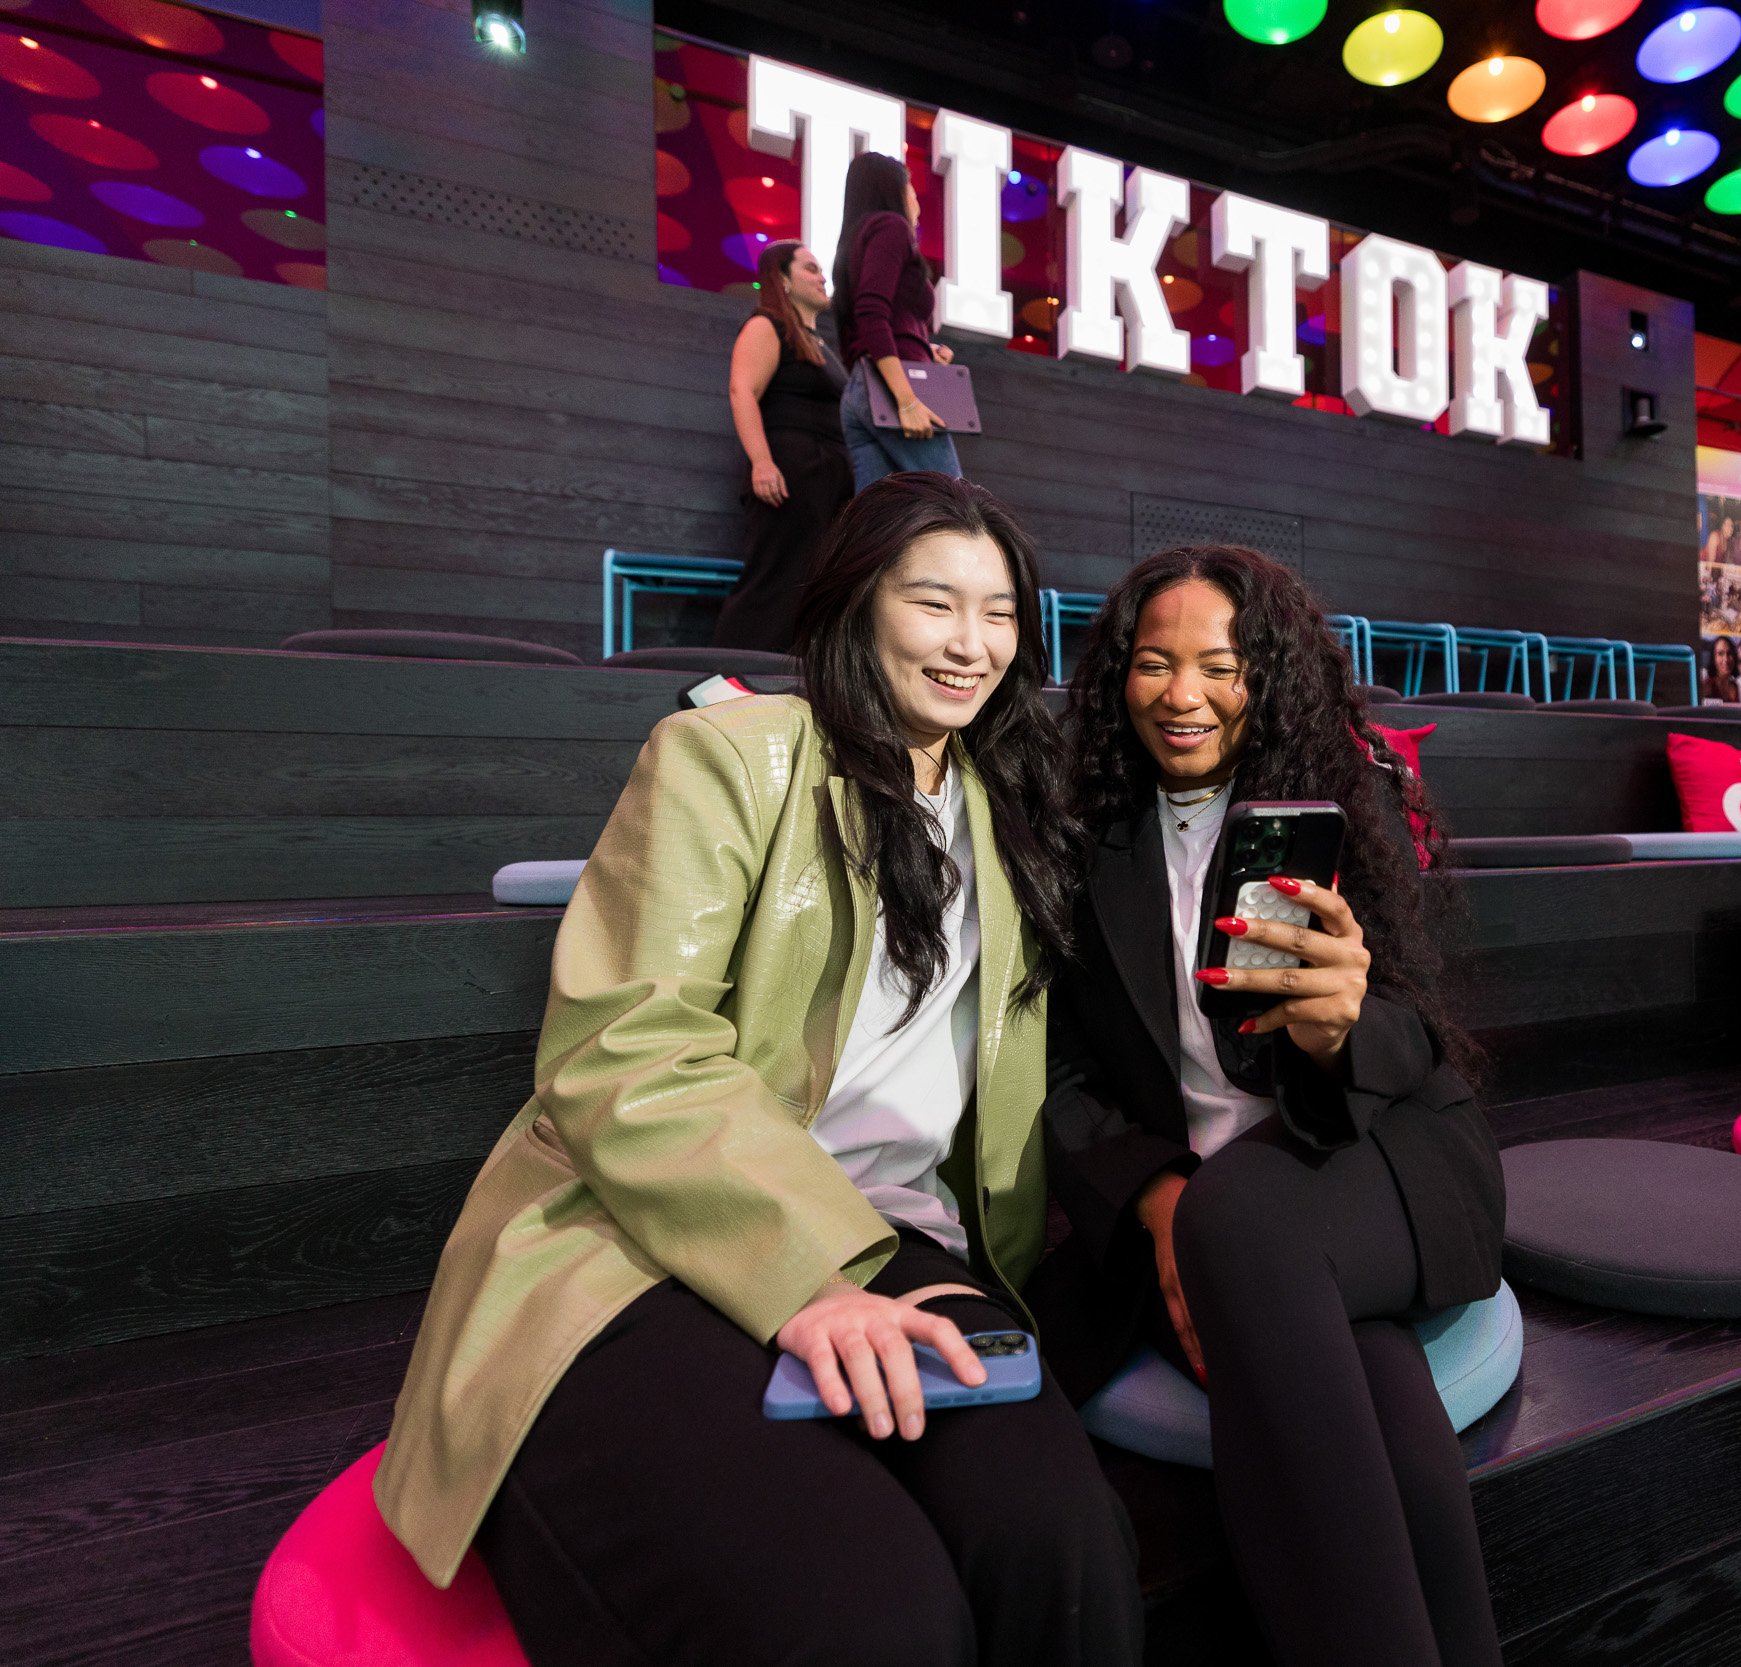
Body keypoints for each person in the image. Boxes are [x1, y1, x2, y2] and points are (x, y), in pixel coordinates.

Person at [374, 474, 1141, 1667]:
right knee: (866, 1617)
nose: (971, 643)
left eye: (999, 614)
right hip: (645, 1228)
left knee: (1063, 1543)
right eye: (934, 602)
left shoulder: (1014, 807)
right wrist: (807, 1279)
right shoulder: (728, 754)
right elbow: (629, 1046)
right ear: (856, 604)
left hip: (898, 1234)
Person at [1035, 545, 1506, 1667]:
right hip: (1219, 1203)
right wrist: (1152, 1197)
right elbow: (1048, 1069)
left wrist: (1343, 1021)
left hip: (1371, 1160)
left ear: (1271, 676)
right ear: (1116, 676)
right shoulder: (1065, 830)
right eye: (1155, 663)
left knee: (1241, 1217)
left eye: (1220, 665)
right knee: (1385, 1404)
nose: (1183, 694)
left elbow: (1418, 1037)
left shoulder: (1348, 805)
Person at [715, 239, 853, 651]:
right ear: (783, 280)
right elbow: (742, 390)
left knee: (813, 584)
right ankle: (734, 675)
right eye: (810, 268)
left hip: (828, 481)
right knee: (776, 577)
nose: (822, 276)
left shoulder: (821, 345)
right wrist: (761, 462)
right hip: (790, 475)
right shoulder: (767, 324)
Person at [834, 153, 963, 489]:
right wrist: (906, 400)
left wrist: (924, 349)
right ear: (892, 190)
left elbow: (876, 318)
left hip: (863, 388)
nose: (916, 198)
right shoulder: (892, 227)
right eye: (911, 188)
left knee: (879, 525)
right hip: (893, 389)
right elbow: (872, 313)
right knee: (951, 504)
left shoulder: (855, 241)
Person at [1702, 633, 1741, 703]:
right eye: (1720, 654)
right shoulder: (1707, 686)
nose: (1726, 659)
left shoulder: (1735, 686)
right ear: (1713, 659)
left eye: (1729, 653)